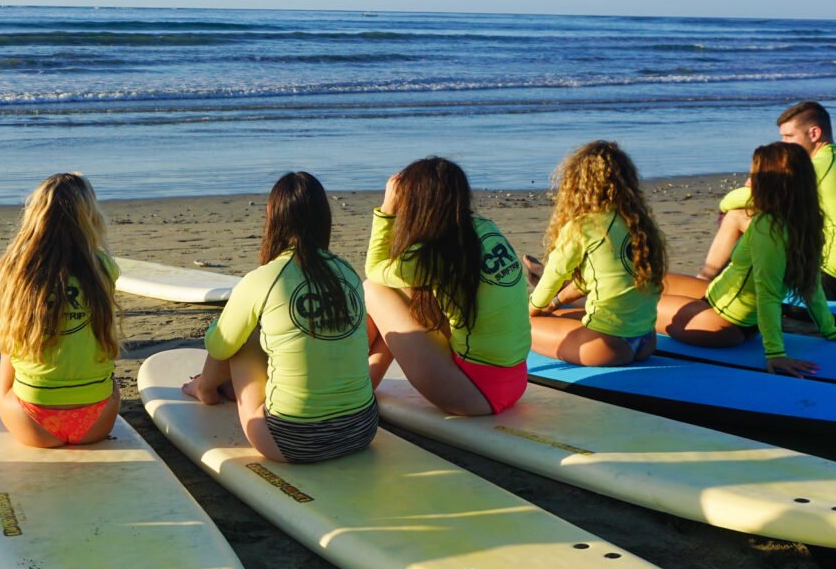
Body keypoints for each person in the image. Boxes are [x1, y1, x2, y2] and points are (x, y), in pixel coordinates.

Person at [182, 172, 376, 463]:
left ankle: (204, 389)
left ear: (272, 215)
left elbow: (219, 346)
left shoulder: (266, 278)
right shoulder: (347, 272)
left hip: (291, 440)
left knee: (242, 338)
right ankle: (219, 387)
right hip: (362, 429)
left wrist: (226, 322)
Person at [659, 142, 836, 376]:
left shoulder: (768, 227)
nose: (748, 182)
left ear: (772, 183)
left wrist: (775, 354)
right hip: (721, 303)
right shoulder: (807, 220)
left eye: (754, 175)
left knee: (632, 300)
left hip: (722, 324)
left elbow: (768, 293)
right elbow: (811, 284)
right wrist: (830, 331)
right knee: (654, 281)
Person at [364, 157, 530, 416]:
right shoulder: (485, 229)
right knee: (402, 293)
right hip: (515, 382)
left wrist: (386, 210)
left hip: (472, 391)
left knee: (374, 289)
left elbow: (374, 269)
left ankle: (360, 386)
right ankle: (364, 378)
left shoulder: (433, 253)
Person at [700, 100, 836, 301]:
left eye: (789, 136)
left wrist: (753, 187)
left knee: (737, 216)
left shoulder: (814, 167)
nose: (783, 144)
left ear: (814, 134)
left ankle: (704, 284)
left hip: (832, 283)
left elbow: (735, 202)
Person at [0, 173, 120, 448]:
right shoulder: (103, 269)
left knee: (12, 336)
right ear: (90, 218)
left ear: (34, 217)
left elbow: (5, 341)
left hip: (30, 418)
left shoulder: (9, 274)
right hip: (98, 418)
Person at [526, 141, 666, 366]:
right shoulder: (640, 225)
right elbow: (594, 279)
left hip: (606, 346)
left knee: (520, 325)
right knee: (556, 316)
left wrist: (531, 310)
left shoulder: (584, 226)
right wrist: (554, 304)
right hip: (646, 340)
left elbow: (553, 277)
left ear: (576, 186)